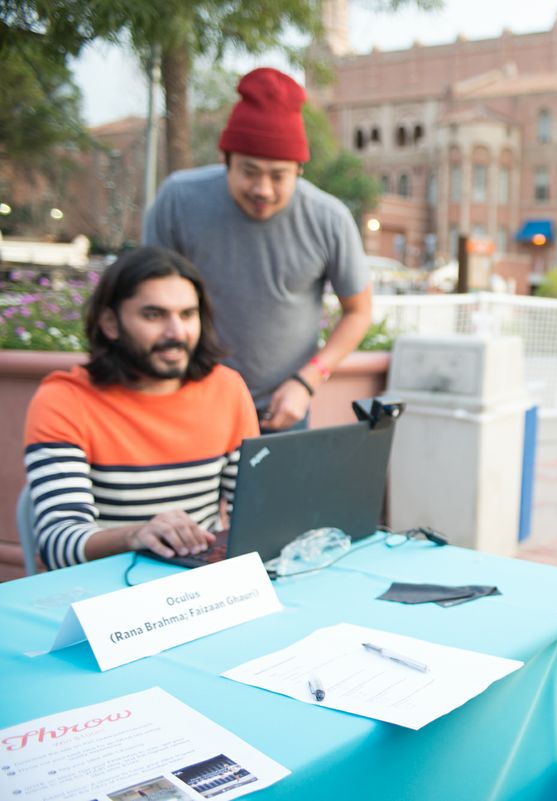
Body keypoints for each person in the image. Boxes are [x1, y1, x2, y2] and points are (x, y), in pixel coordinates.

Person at [143, 67, 372, 431]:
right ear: (226, 160)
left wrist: (308, 380)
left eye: (278, 175)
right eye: (249, 171)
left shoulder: (330, 219)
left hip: (282, 409)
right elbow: (147, 296)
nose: (263, 189)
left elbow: (358, 312)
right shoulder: (179, 199)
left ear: (299, 170)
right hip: (186, 401)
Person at [23, 247, 259, 570]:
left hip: (203, 585)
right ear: (110, 323)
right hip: (102, 592)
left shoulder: (227, 388)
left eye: (188, 314)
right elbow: (57, 543)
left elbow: (251, 516)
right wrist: (136, 535)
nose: (177, 333)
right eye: (154, 315)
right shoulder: (63, 400)